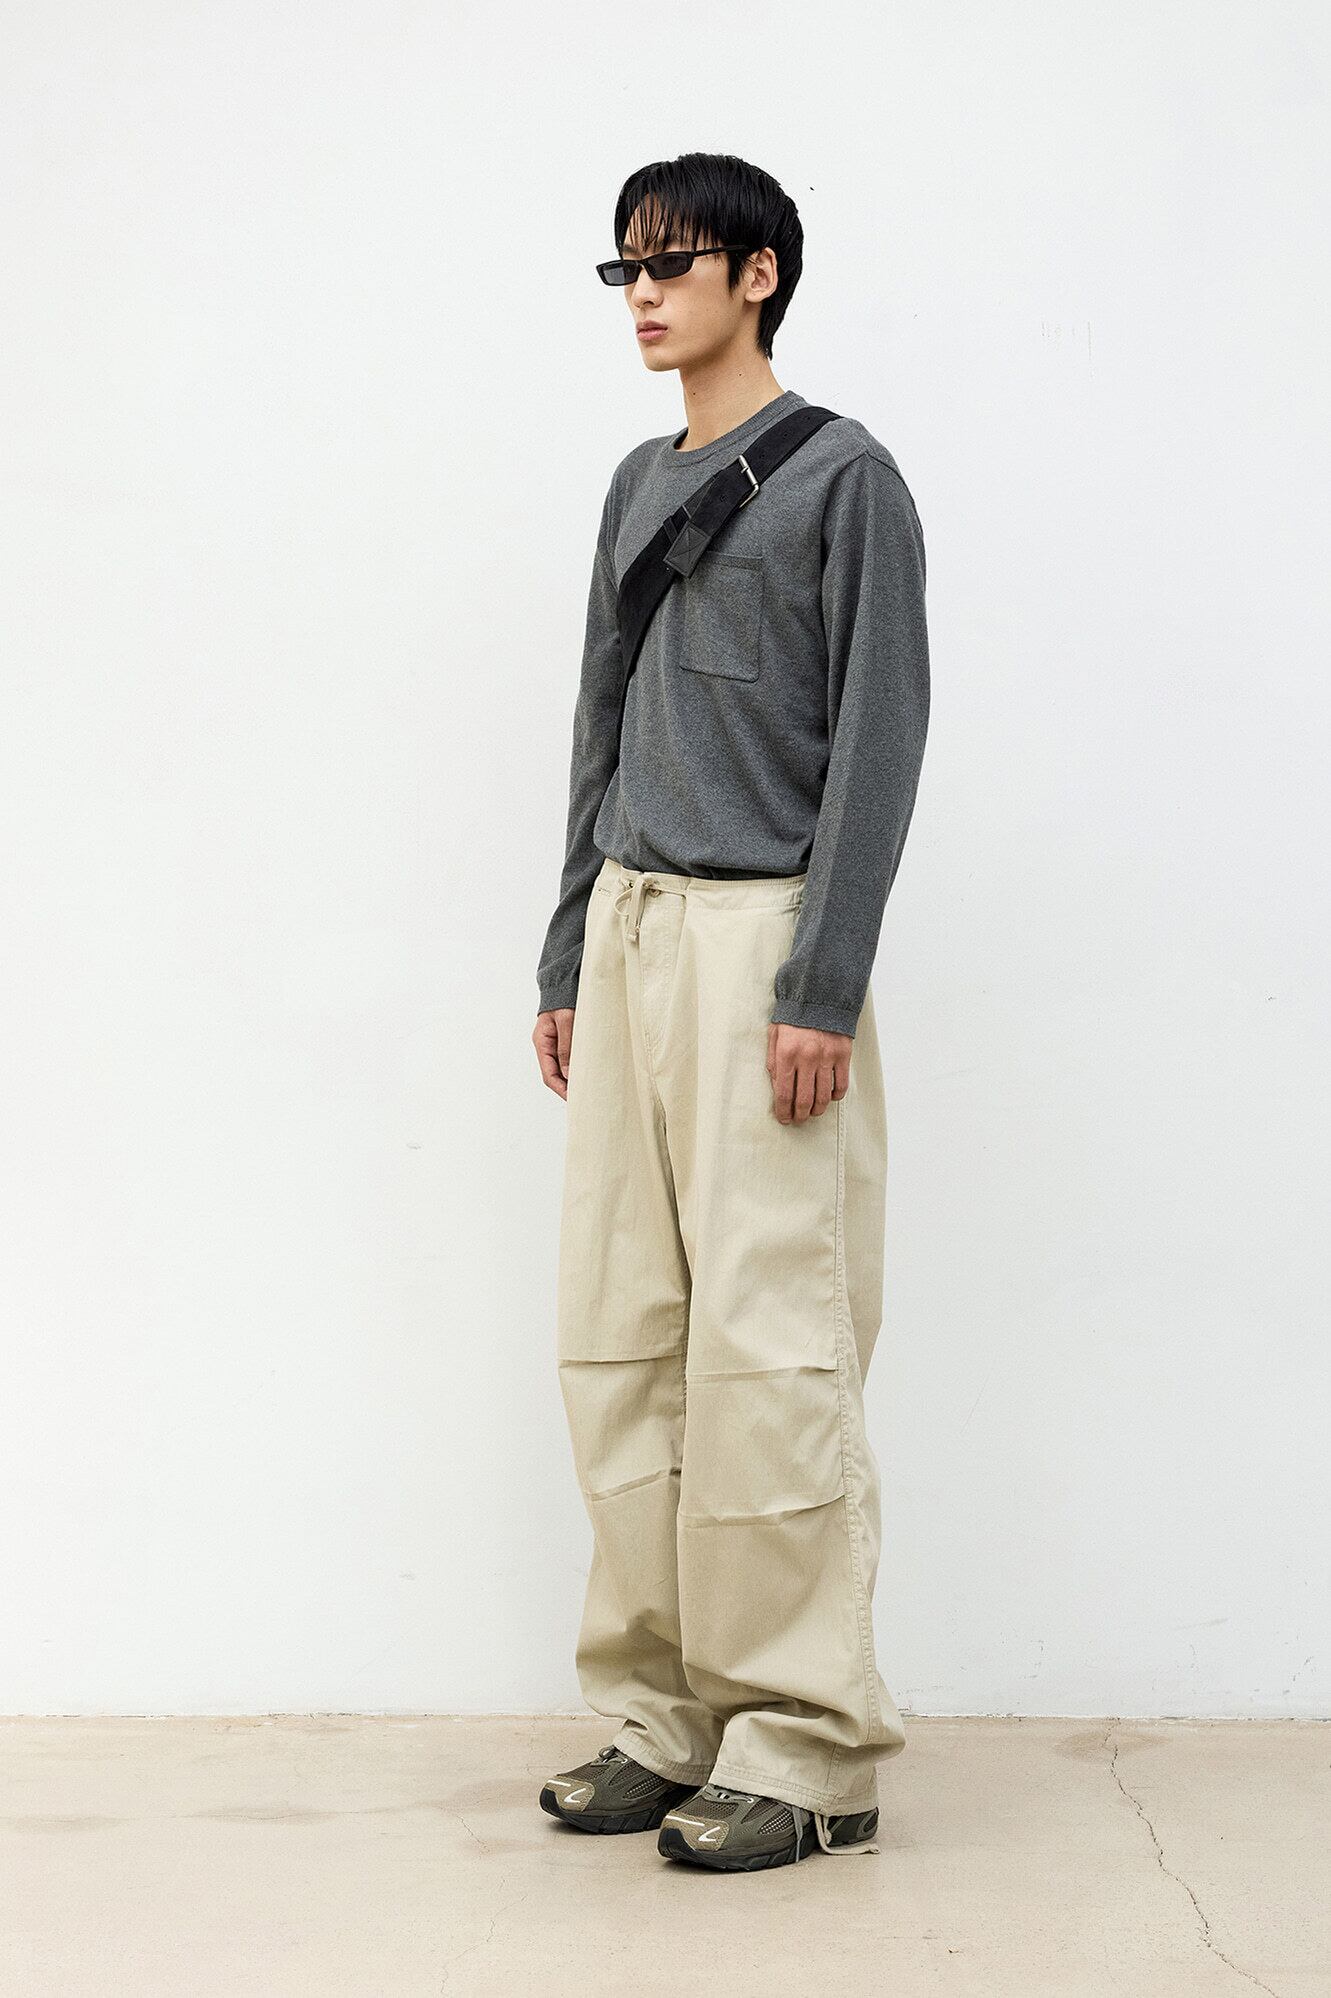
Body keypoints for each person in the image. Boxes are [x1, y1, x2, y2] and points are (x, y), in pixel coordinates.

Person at [531, 151, 930, 1873]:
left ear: (757, 273)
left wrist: (822, 979)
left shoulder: (847, 477)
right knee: (624, 1329)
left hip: (764, 941)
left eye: (670, 263)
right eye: (623, 268)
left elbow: (880, 741)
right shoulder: (638, 480)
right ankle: (663, 1710)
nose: (641, 294)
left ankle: (807, 1743)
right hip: (633, 927)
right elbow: (598, 725)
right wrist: (568, 951)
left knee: (773, 1343)